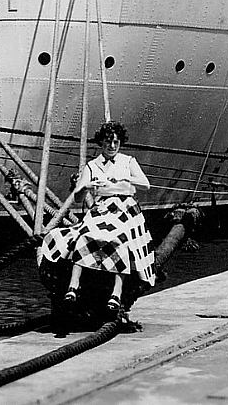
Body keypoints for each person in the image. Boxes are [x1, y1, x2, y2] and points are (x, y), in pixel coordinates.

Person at [40, 121, 155, 315]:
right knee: (84, 234)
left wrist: (126, 178)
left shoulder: (128, 161)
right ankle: (73, 286)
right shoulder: (92, 166)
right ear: (101, 142)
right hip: (101, 208)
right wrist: (87, 186)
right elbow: (77, 197)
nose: (112, 146)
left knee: (121, 238)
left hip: (126, 209)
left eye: (116, 142)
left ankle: (116, 293)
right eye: (108, 142)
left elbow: (145, 185)